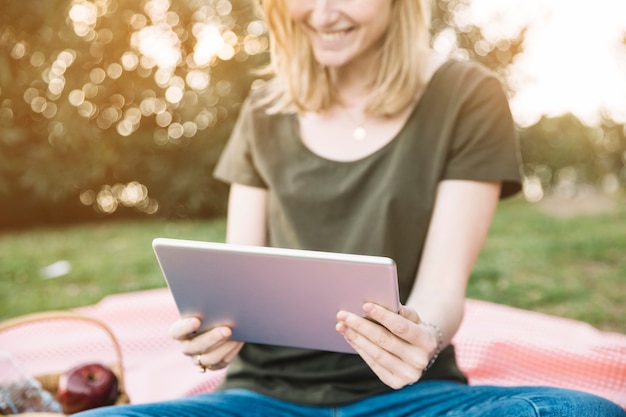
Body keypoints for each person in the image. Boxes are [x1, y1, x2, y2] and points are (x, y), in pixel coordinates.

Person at [76, 0, 626, 416]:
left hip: (409, 397)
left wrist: (423, 336)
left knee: (584, 412)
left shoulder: (467, 95)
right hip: (259, 398)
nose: (321, 13)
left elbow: (441, 287)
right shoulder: (266, 106)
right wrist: (215, 333)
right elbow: (236, 278)